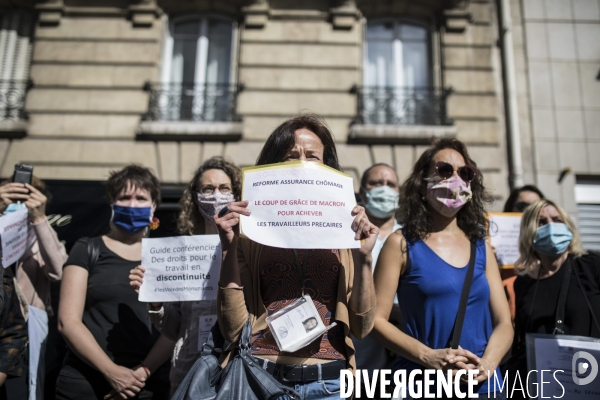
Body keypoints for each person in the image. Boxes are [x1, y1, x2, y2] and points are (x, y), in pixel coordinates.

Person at [214, 115, 378, 399]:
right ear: (274, 164)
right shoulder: (250, 232)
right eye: (291, 155)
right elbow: (233, 329)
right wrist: (228, 248)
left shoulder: (345, 232)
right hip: (263, 379)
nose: (302, 162)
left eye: (312, 156)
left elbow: (362, 327)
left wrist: (364, 258)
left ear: (328, 166)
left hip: (332, 385)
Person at [371, 138, 513, 398]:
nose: (455, 179)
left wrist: (488, 364)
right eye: (445, 170)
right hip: (420, 386)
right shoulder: (400, 243)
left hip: (485, 387)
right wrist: (429, 356)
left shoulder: (480, 245)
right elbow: (375, 321)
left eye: (465, 173)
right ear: (422, 184)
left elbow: (504, 322)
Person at [56, 165, 171, 400]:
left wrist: (142, 373)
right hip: (85, 384)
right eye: (124, 197)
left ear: (153, 207)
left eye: (141, 198)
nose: (132, 204)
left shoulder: (165, 256)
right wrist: (112, 372)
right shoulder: (87, 248)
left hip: (146, 387)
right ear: (112, 204)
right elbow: (67, 321)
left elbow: (175, 327)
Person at [129, 156, 242, 395]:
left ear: (236, 194)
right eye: (208, 189)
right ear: (195, 197)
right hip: (188, 373)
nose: (216, 195)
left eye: (224, 188)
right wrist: (156, 300)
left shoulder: (247, 249)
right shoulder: (183, 252)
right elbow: (173, 328)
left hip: (236, 371)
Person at [509, 199, 599, 398]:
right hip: (547, 387)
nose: (551, 226)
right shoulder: (523, 283)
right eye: (541, 222)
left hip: (590, 381)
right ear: (528, 233)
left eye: (557, 220)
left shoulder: (592, 266)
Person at [0, 177, 68, 400]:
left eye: (28, 195)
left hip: (26, 328)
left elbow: (59, 271)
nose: (20, 201)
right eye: (15, 195)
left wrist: (39, 218)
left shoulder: (38, 232)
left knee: (23, 391)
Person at [354, 163, 401, 395]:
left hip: (405, 365)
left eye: (391, 184)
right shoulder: (348, 238)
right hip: (361, 364)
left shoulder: (413, 239)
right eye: (376, 183)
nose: (384, 189)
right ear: (363, 192)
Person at [501, 185, 545, 321]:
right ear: (510, 209)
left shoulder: (551, 248)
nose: (530, 212)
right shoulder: (492, 243)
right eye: (523, 206)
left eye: (537, 207)